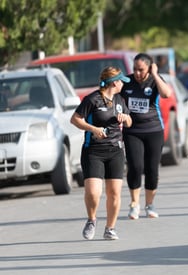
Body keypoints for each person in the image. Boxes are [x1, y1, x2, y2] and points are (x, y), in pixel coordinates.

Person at [70, 66, 132, 240]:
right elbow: (75, 119)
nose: (123, 85)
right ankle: (91, 219)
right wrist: (93, 129)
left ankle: (110, 228)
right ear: (114, 82)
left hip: (116, 150)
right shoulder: (92, 99)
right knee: (93, 192)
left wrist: (126, 119)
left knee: (114, 193)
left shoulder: (120, 99)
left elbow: (129, 122)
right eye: (121, 81)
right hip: (94, 151)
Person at [120, 53, 172, 220]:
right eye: (135, 69)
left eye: (141, 70)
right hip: (132, 132)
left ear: (149, 68)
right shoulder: (127, 82)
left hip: (154, 130)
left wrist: (155, 75)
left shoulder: (155, 81)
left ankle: (150, 204)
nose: (137, 73)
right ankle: (134, 204)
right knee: (135, 167)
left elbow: (167, 94)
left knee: (152, 169)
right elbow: (112, 95)